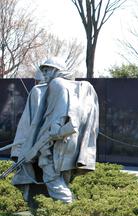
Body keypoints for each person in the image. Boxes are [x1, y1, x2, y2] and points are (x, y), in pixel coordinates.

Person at [11, 57, 99, 204]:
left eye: (48, 69)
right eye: (43, 69)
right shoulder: (77, 88)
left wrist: (46, 138)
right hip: (67, 143)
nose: (44, 72)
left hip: (54, 143)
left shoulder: (57, 84)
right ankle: (58, 212)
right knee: (61, 179)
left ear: (57, 70)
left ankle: (69, 211)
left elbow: (60, 116)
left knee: (52, 179)